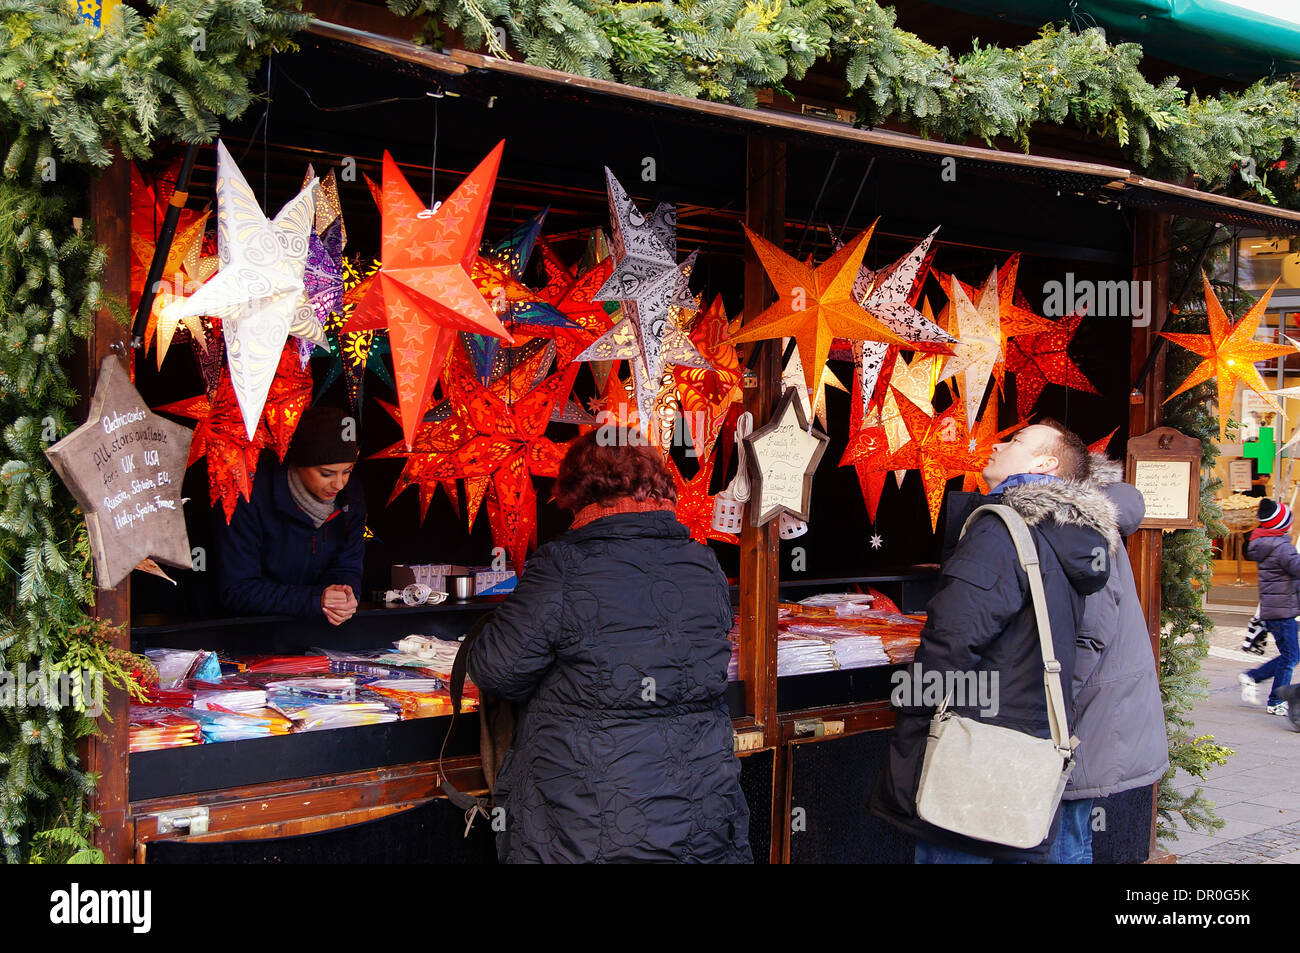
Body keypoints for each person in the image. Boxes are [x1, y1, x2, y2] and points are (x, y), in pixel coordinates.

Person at [467, 429, 751, 863]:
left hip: (585, 820)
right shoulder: (703, 562)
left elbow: (496, 670)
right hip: (699, 811)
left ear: (581, 492)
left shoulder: (562, 566)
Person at [869, 420, 1117, 863]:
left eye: (1017, 441)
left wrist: (911, 713)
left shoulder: (1003, 527)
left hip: (971, 746)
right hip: (1026, 746)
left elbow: (953, 638)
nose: (999, 443)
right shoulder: (1066, 537)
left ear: (1046, 463)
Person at [1046, 452, 1168, 864]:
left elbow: (1091, 630)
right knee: (1069, 830)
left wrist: (1054, 698)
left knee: (1065, 834)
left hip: (1086, 708)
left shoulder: (1082, 524)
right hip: (1094, 706)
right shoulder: (1088, 520)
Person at [215, 404, 366, 624]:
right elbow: (237, 589)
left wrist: (345, 595)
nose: (339, 483)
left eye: (348, 471)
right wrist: (314, 599)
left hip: (319, 631)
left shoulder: (351, 495)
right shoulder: (248, 496)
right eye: (326, 473)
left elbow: (347, 566)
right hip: (243, 631)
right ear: (297, 464)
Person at [1239, 498, 1300, 717]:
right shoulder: (1281, 547)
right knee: (1291, 656)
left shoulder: (1266, 544)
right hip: (1282, 609)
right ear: (1281, 525)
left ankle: (1254, 677)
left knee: (1290, 655)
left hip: (1275, 608)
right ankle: (1275, 699)